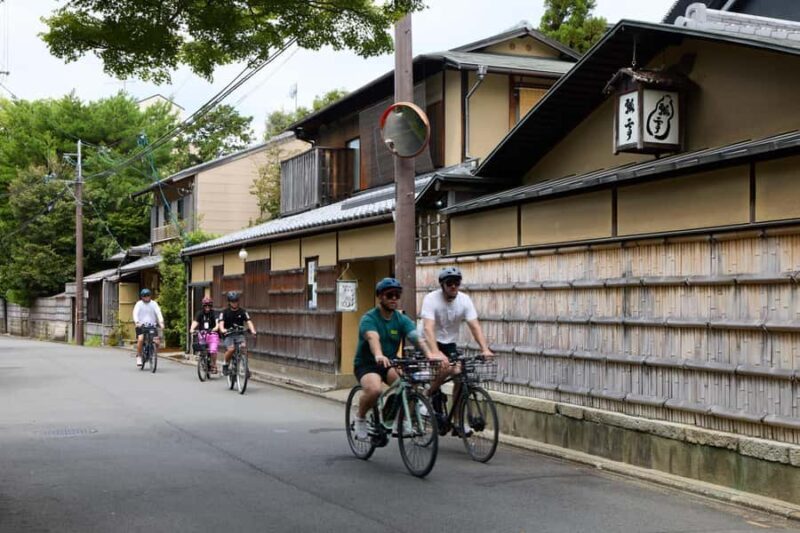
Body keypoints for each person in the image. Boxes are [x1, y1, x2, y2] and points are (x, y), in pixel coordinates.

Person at [353, 277, 431, 440]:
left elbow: (416, 337)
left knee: (409, 384)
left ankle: (398, 421)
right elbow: (373, 338)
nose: (394, 298)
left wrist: (429, 354)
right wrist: (378, 354)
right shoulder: (369, 318)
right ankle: (360, 417)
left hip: (391, 363)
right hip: (368, 364)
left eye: (397, 295)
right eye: (389, 295)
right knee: (374, 390)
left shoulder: (401, 319)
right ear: (380, 297)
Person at [420, 266, 493, 433]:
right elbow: (428, 328)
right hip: (428, 339)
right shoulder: (431, 299)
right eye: (449, 283)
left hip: (449, 341)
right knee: (445, 367)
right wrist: (435, 352)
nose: (453, 286)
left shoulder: (464, 300)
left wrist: (484, 349)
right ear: (442, 285)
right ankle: (427, 395)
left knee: (460, 375)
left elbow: (474, 326)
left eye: (457, 283)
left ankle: (458, 422)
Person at [218, 291, 256, 376]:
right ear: (229, 302)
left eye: (236, 301)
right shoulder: (224, 312)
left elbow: (249, 321)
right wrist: (223, 329)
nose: (234, 303)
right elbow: (221, 323)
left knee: (243, 347)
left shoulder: (243, 311)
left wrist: (253, 330)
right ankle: (225, 364)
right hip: (229, 334)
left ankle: (245, 367)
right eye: (232, 301)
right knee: (231, 349)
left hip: (239, 333)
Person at [133, 288, 165, 368]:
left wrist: (161, 322)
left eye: (148, 296)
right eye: (145, 296)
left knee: (157, 342)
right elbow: (135, 313)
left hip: (152, 325)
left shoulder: (154, 304)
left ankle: (152, 352)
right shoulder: (139, 304)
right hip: (141, 325)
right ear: (142, 297)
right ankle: (139, 356)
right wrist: (137, 322)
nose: (146, 298)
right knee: (140, 339)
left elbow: (158, 313)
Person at [189, 296, 219, 373]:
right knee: (202, 348)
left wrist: (213, 329)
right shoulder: (199, 313)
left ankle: (213, 364)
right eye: (205, 305)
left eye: (209, 305)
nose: (207, 307)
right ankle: (202, 359)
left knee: (213, 350)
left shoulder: (214, 313)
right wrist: (192, 329)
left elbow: (217, 324)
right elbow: (195, 322)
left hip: (212, 333)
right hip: (202, 333)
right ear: (203, 306)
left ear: (211, 306)